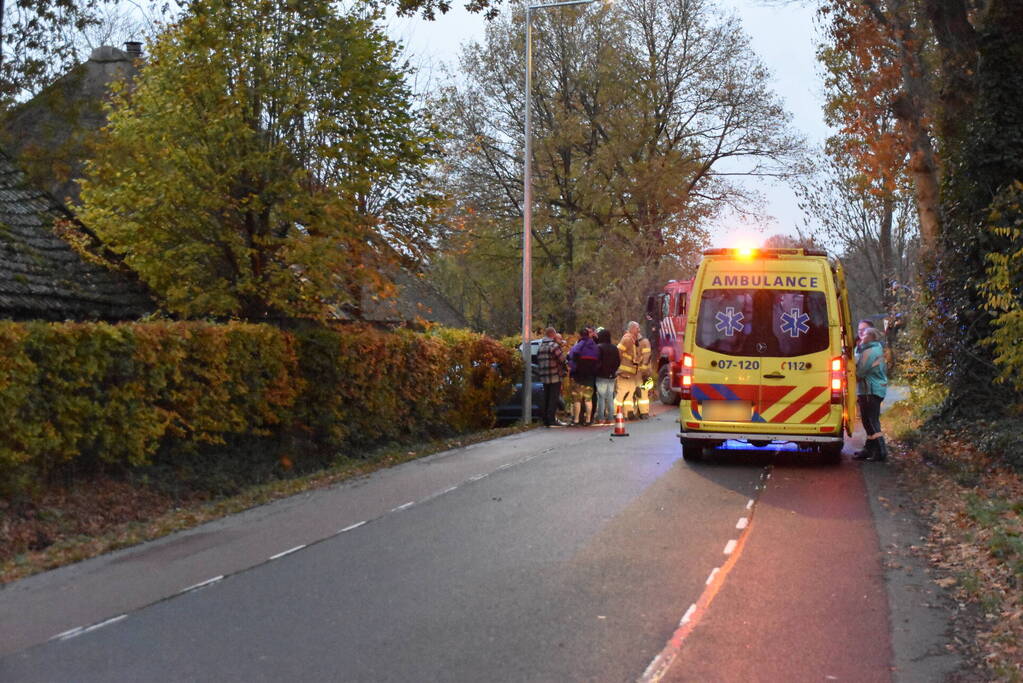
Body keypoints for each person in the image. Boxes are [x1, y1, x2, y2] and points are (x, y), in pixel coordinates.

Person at [853, 326, 889, 461]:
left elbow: (860, 372)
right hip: (871, 389)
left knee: (872, 421)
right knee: (867, 421)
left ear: (872, 337)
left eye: (865, 334)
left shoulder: (869, 352)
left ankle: (880, 451)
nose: (862, 336)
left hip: (870, 390)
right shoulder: (874, 349)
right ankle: (869, 450)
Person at [567, 327, 599, 425]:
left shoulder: (578, 345)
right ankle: (588, 420)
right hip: (590, 377)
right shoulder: (595, 346)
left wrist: (573, 368)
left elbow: (571, 357)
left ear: (580, 335)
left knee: (577, 399)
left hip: (578, 376)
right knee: (588, 399)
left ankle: (576, 420)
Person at [536, 326, 566, 427]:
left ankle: (545, 419)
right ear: (553, 334)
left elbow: (538, 359)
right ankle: (551, 419)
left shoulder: (540, 346)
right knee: (553, 398)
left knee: (546, 397)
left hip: (544, 376)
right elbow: (562, 359)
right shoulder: (554, 345)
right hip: (554, 375)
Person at [594, 328, 620, 425]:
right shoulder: (614, 348)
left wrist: (597, 370)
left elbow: (596, 361)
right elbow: (618, 361)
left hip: (601, 375)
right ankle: (610, 417)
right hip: (611, 376)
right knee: (610, 397)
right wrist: (613, 371)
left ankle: (601, 417)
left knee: (601, 397)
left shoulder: (599, 347)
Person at [615, 321, 641, 419]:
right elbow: (619, 351)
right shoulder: (626, 339)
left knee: (630, 392)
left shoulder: (633, 340)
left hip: (631, 372)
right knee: (621, 393)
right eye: (637, 328)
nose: (639, 330)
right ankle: (615, 412)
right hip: (624, 372)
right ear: (632, 328)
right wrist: (621, 362)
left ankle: (628, 413)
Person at [634, 335, 653, 418]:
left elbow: (646, 358)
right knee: (642, 392)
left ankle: (643, 412)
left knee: (641, 392)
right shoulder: (644, 342)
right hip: (644, 372)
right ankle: (643, 412)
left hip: (642, 372)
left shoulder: (643, 343)